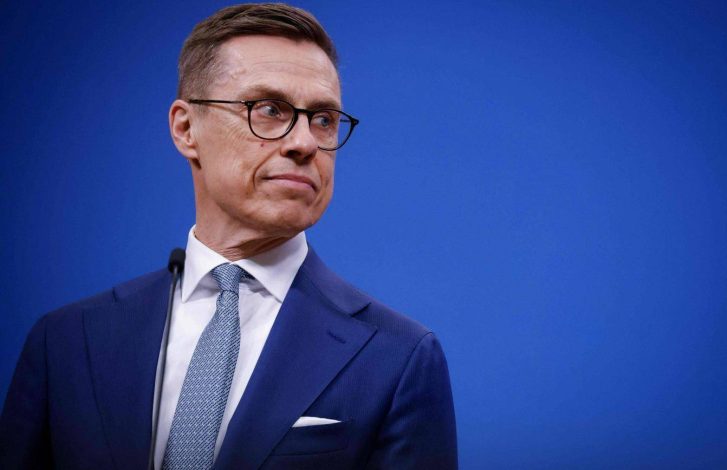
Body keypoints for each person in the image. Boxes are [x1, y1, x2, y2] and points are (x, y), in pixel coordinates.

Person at [0, 3, 457, 469]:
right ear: (186, 129)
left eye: (323, 119)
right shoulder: (65, 341)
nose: (305, 143)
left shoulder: (398, 358)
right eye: (270, 110)